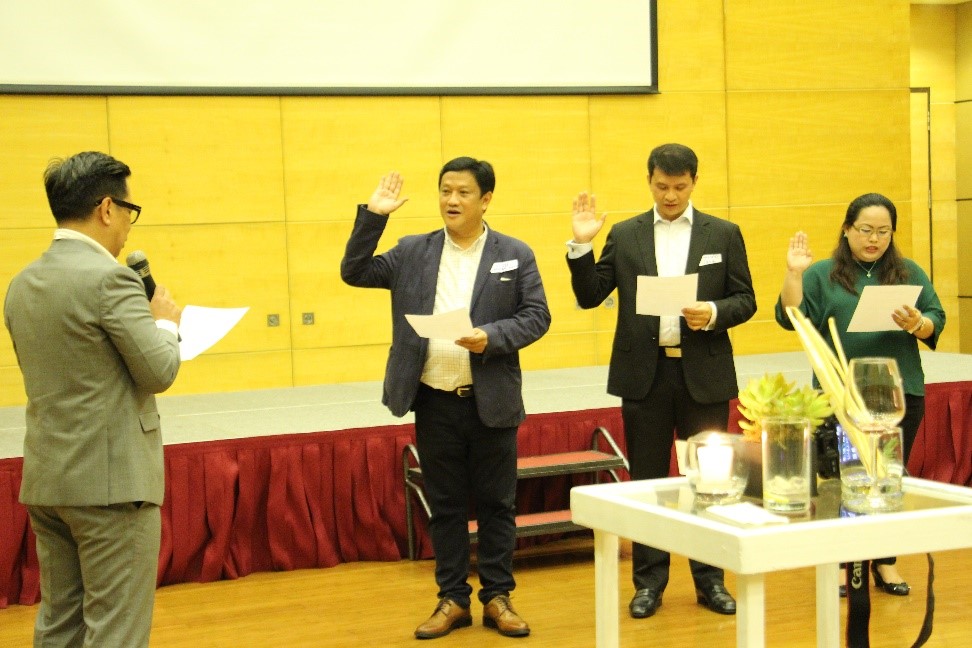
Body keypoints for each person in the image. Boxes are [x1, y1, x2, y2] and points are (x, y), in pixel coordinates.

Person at [341, 157, 550, 639]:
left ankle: (497, 596)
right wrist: (374, 217)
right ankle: (453, 598)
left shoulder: (514, 253)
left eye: (462, 192)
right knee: (446, 505)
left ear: (486, 199)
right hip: (434, 400)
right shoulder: (412, 250)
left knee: (497, 504)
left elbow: (537, 316)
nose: (451, 200)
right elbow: (354, 271)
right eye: (445, 191)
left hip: (490, 399)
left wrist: (491, 337)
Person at [566, 143, 756, 618]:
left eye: (679, 186)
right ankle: (648, 584)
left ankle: (711, 580)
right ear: (649, 181)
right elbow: (590, 295)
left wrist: (713, 312)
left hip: (703, 374)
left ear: (694, 182)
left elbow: (745, 299)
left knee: (710, 481)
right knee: (647, 482)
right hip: (645, 376)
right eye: (661, 186)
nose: (670, 195)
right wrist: (582, 246)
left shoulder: (723, 233)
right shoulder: (626, 234)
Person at [3, 151, 182, 647]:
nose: (127, 224)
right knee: (115, 632)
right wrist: (166, 325)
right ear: (106, 208)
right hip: (112, 487)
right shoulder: (111, 279)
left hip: (49, 481)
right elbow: (159, 370)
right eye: (129, 211)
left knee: (59, 624)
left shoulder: (21, 283)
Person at [777, 192, 945, 596]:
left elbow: (936, 317)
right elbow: (791, 317)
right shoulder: (823, 273)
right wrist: (794, 274)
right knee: (841, 481)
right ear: (847, 230)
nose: (874, 239)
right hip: (840, 392)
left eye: (884, 232)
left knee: (887, 479)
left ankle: (886, 562)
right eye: (866, 230)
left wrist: (917, 323)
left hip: (897, 393)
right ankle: (842, 563)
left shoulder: (908, 271)